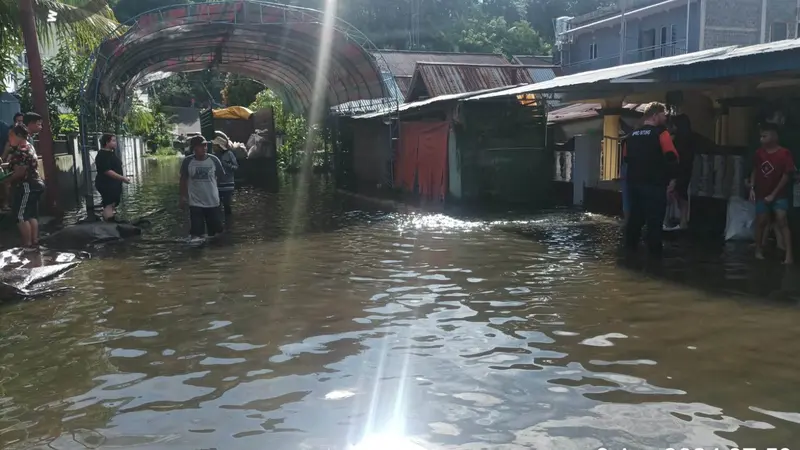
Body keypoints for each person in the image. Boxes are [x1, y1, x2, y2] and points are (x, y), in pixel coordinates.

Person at [623, 102, 679, 256]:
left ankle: (629, 255)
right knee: (654, 224)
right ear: (655, 116)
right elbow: (672, 157)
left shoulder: (631, 136)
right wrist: (672, 181)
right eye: (663, 115)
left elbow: (626, 158)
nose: (665, 118)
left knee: (634, 221)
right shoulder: (662, 134)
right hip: (655, 185)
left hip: (634, 185)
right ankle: (655, 260)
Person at [748, 123, 794, 264]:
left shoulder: (784, 153)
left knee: (782, 220)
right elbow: (755, 170)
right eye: (761, 136)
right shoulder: (759, 153)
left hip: (779, 194)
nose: (761, 139)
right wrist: (751, 187)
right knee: (761, 221)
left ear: (774, 136)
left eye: (765, 136)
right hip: (762, 193)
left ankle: (789, 255)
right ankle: (758, 249)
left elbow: (786, 175)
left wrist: (773, 194)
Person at [4, 124, 45, 251]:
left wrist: (5, 181)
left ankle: (27, 244)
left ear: (19, 136)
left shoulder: (20, 151)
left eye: (11, 135)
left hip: (26, 185)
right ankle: (34, 242)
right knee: (30, 214)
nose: (9, 138)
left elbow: (19, 172)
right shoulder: (29, 146)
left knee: (21, 216)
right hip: (35, 184)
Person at [180, 135, 226, 240]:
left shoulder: (214, 160)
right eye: (201, 146)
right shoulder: (188, 162)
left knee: (216, 234)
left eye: (205, 145)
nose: (204, 148)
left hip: (212, 202)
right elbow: (183, 179)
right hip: (195, 203)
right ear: (194, 148)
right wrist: (182, 197)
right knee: (196, 235)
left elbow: (221, 177)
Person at [94, 133, 130, 221]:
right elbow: (107, 171)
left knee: (112, 204)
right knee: (109, 204)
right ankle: (109, 225)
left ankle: (110, 220)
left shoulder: (110, 153)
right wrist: (122, 178)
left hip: (113, 184)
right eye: (113, 141)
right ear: (107, 142)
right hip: (106, 184)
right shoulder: (102, 155)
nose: (115, 143)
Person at [212, 135, 238, 216]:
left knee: (227, 205)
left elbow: (236, 167)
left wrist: (226, 165)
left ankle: (229, 222)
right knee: (217, 205)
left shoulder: (229, 154)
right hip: (217, 185)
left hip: (228, 184)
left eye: (215, 145)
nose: (213, 147)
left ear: (219, 146)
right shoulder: (214, 156)